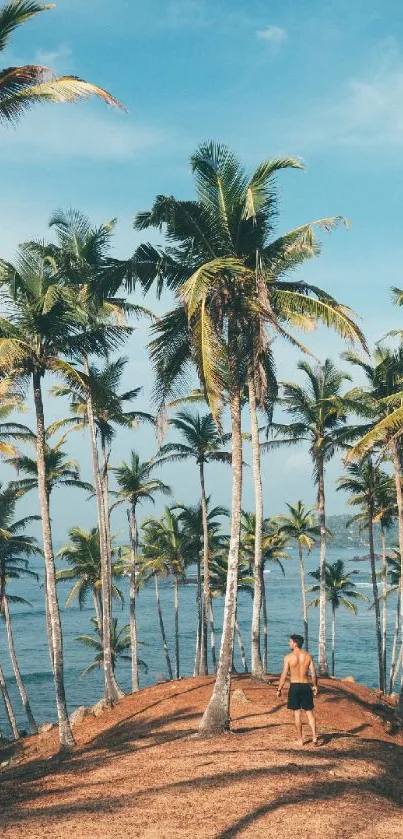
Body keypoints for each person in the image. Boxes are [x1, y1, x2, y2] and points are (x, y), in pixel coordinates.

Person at [277, 634, 318, 746]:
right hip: (305, 686)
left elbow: (284, 675)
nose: (288, 643)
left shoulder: (288, 657)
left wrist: (279, 688)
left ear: (295, 643)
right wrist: (315, 685)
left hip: (294, 686)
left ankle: (300, 740)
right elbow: (313, 674)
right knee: (309, 712)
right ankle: (314, 736)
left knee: (297, 714)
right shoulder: (308, 656)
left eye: (290, 642)